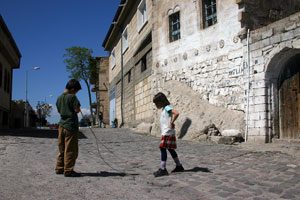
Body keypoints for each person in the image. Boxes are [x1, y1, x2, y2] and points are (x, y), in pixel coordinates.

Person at [152, 92, 184, 177]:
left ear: (161, 101)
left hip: (167, 132)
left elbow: (176, 113)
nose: (156, 105)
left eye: (156, 103)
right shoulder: (164, 109)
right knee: (170, 149)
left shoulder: (167, 107)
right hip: (167, 132)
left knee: (162, 148)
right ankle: (179, 166)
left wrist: (172, 122)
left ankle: (163, 169)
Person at [55, 79, 82, 177]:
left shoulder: (59, 98)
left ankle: (59, 168)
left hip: (61, 126)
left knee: (61, 148)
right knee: (70, 149)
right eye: (77, 91)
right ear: (73, 89)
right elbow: (77, 110)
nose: (76, 93)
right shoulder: (73, 97)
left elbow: (59, 110)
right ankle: (68, 170)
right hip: (71, 126)